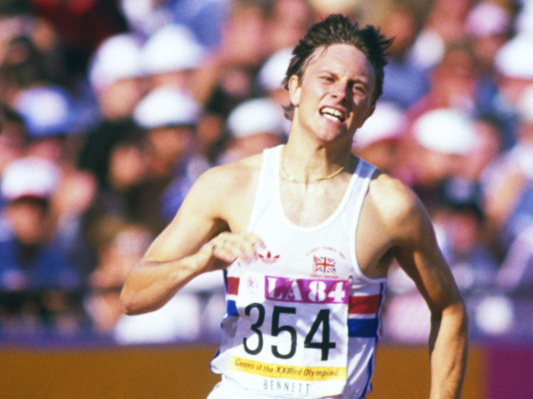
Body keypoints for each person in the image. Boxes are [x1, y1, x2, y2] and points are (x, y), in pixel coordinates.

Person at [120, 14, 467, 399]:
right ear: (295, 87)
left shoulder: (390, 205)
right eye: (329, 79)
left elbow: (450, 309)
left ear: (368, 110)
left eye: (357, 87)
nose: (340, 94)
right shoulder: (228, 186)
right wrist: (199, 261)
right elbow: (133, 296)